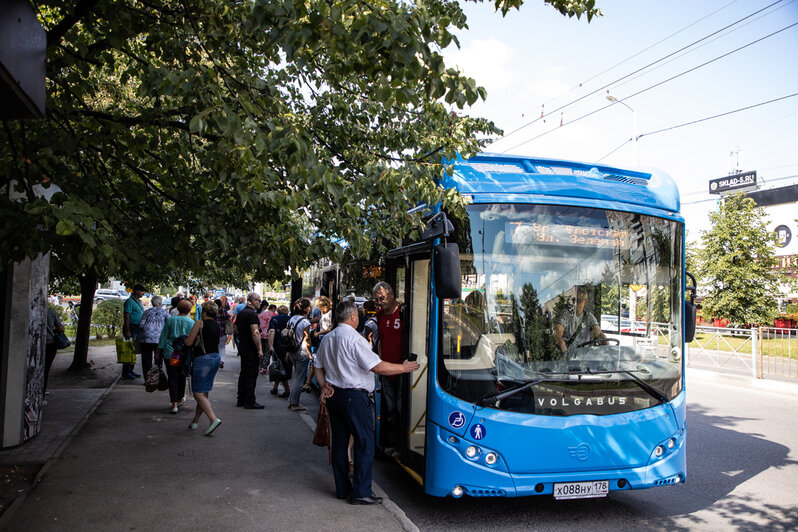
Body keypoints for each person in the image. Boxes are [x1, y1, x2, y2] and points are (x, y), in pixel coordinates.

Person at [314, 300, 420, 504]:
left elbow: (317, 365)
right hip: (355, 398)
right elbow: (377, 367)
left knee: (340, 444)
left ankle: (342, 489)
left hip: (334, 397)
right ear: (353, 317)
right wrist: (404, 368)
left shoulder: (328, 338)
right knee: (364, 443)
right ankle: (361, 492)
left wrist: (323, 385)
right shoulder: (355, 339)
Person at [372, 281, 405, 454]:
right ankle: (395, 443)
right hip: (386, 369)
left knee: (400, 407)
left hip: (401, 369)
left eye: (383, 298)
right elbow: (380, 342)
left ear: (392, 294)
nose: (381, 302)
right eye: (378, 299)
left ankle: (402, 446)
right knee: (391, 407)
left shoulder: (403, 312)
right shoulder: (379, 315)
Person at [185, 301, 222, 435]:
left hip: (202, 359)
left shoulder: (199, 323)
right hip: (215, 357)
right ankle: (195, 421)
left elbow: (189, 342)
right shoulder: (217, 325)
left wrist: (183, 340)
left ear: (204, 312)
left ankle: (213, 419)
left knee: (198, 393)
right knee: (204, 392)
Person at [158, 299, 195, 413]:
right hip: (184, 353)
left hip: (170, 352)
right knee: (182, 376)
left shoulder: (171, 320)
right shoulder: (191, 322)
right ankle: (179, 398)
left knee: (172, 377)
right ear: (189, 310)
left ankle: (174, 403)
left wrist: (159, 351)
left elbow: (163, 336)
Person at [554, 287, 606, 354]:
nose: (576, 304)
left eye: (579, 301)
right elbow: (558, 336)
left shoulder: (589, 317)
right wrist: (566, 356)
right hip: (569, 356)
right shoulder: (566, 316)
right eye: (574, 300)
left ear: (586, 301)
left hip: (584, 357)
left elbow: (599, 334)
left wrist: (607, 349)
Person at [236, 292, 265, 409]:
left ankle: (241, 399)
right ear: (252, 301)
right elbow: (255, 332)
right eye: (258, 300)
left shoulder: (241, 313)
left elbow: (235, 328)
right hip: (251, 348)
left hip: (243, 346)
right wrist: (259, 349)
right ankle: (249, 400)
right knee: (251, 374)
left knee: (244, 373)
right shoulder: (252, 315)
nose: (260, 303)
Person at [286, 298, 312, 411]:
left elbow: (287, 335)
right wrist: (310, 354)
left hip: (292, 351)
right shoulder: (305, 322)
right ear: (305, 308)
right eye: (309, 306)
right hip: (302, 351)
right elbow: (307, 339)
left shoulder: (291, 319)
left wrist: (287, 352)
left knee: (296, 377)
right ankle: (294, 403)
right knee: (299, 379)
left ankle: (291, 400)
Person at [138, 295, 170, 379]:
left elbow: (141, 324)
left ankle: (147, 379)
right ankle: (157, 378)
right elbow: (169, 323)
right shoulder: (164, 312)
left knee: (146, 359)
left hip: (146, 338)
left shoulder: (147, 312)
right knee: (158, 359)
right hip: (159, 338)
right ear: (160, 303)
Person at [122, 284, 146, 380]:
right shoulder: (129, 302)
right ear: (136, 291)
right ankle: (126, 372)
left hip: (137, 328)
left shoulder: (139, 301)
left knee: (134, 350)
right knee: (129, 350)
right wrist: (127, 330)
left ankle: (130, 370)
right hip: (131, 327)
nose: (143, 293)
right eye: (141, 291)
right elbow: (126, 316)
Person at [267, 305, 291, 397]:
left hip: (278, 346)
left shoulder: (274, 319)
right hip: (288, 347)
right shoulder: (290, 319)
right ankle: (275, 388)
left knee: (279, 367)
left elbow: (271, 331)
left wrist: (271, 345)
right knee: (282, 366)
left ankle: (287, 390)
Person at [43, 307, 66, 399]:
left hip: (33, 344)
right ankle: (42, 394)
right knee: (45, 370)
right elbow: (60, 329)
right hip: (49, 344)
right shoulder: (50, 312)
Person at [213, 298, 231, 369]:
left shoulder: (212, 312)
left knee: (215, 347)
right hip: (222, 332)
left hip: (213, 332)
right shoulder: (224, 311)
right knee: (222, 347)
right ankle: (221, 361)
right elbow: (229, 320)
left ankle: (215, 361)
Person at [258, 300, 275, 373]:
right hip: (269, 336)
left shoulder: (261, 315)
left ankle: (260, 365)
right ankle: (264, 367)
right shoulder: (275, 316)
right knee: (268, 353)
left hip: (261, 335)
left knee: (261, 350)